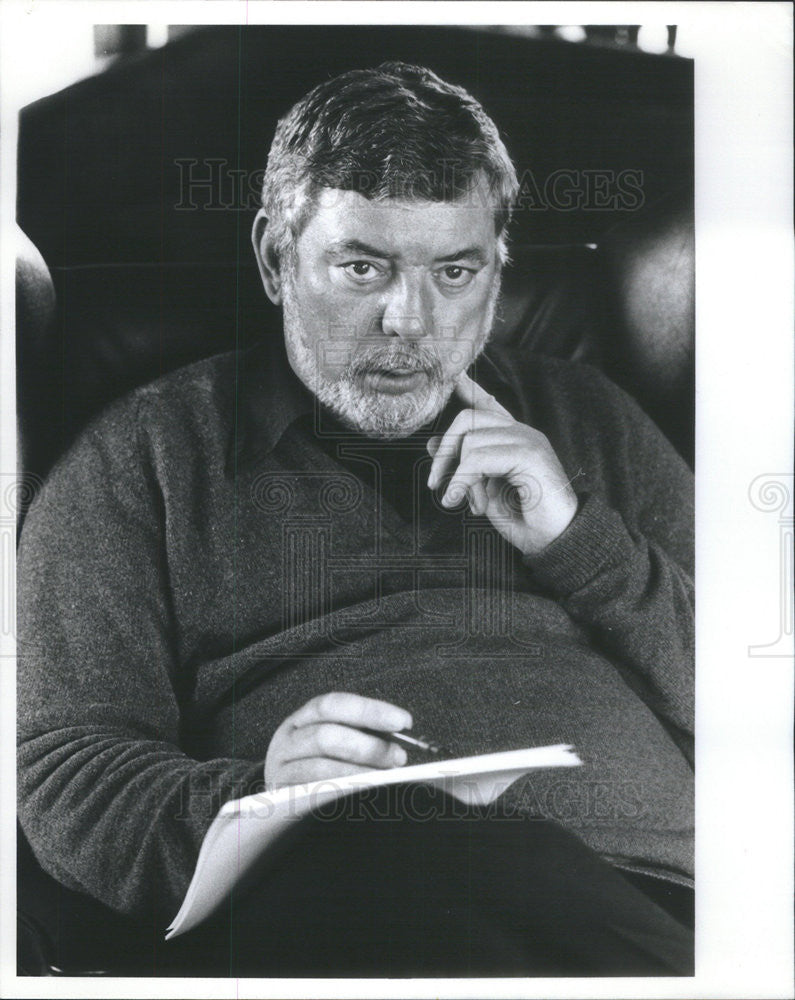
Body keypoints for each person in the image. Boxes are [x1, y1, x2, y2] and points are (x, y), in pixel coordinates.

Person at [17, 62, 694, 976]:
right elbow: (67, 772)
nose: (408, 322)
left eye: (453, 271)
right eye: (361, 266)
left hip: (660, 903)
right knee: (445, 853)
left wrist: (582, 544)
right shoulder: (141, 458)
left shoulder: (594, 419)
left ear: (498, 272)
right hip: (345, 909)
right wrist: (259, 804)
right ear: (273, 258)